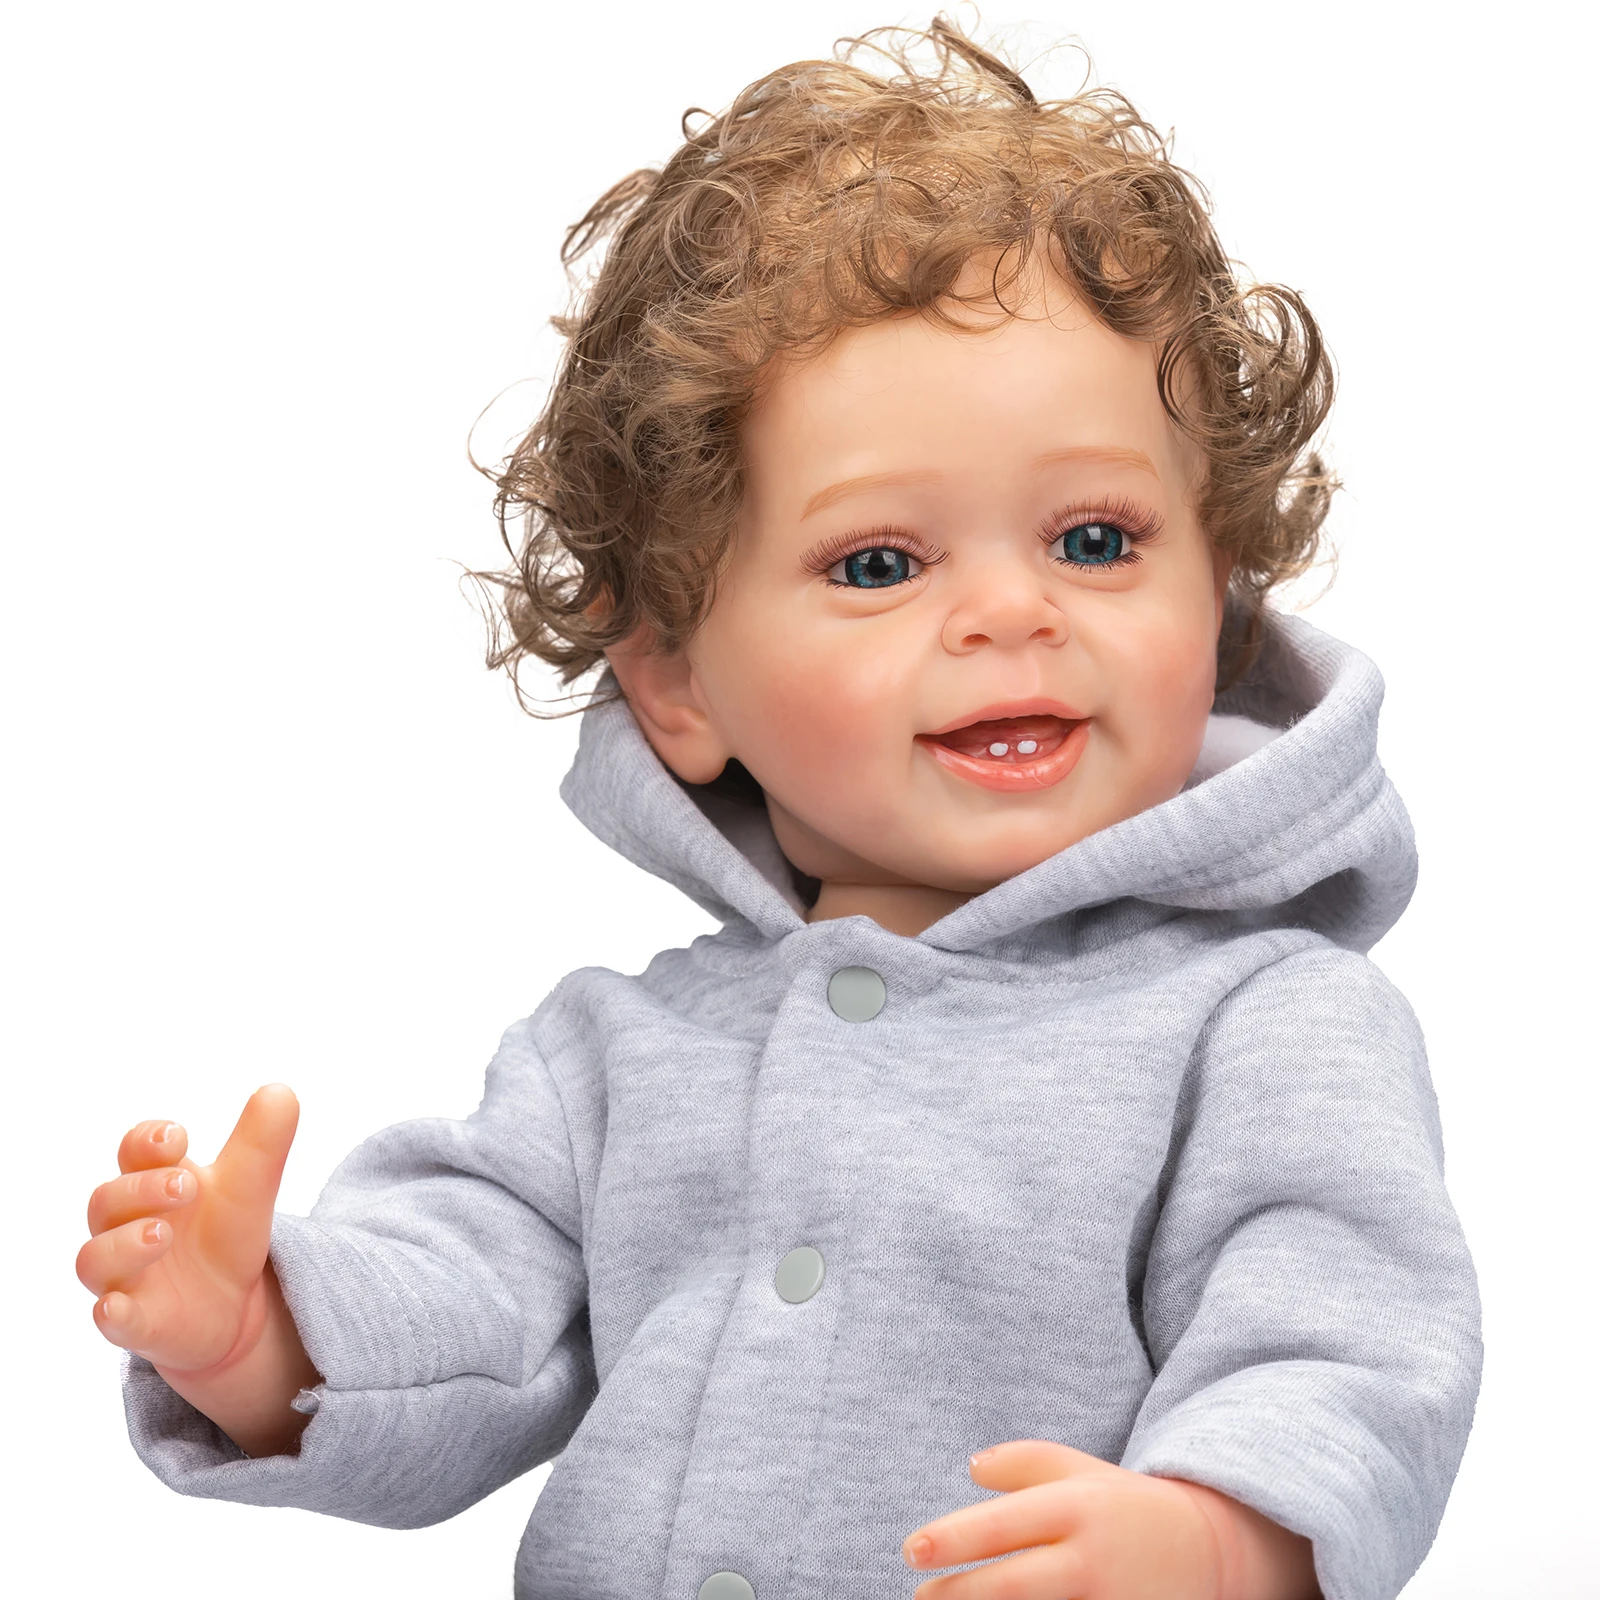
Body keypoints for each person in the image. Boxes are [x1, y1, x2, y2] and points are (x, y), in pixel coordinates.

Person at [76, 18, 1481, 1600]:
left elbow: (1350, 1347)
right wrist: (256, 1338)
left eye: (1095, 540)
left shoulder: (1266, 1024)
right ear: (678, 681)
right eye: (880, 563)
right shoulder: (610, 1058)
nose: (1012, 612)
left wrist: (1218, 1540)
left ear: (1218, 588)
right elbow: (463, 1316)